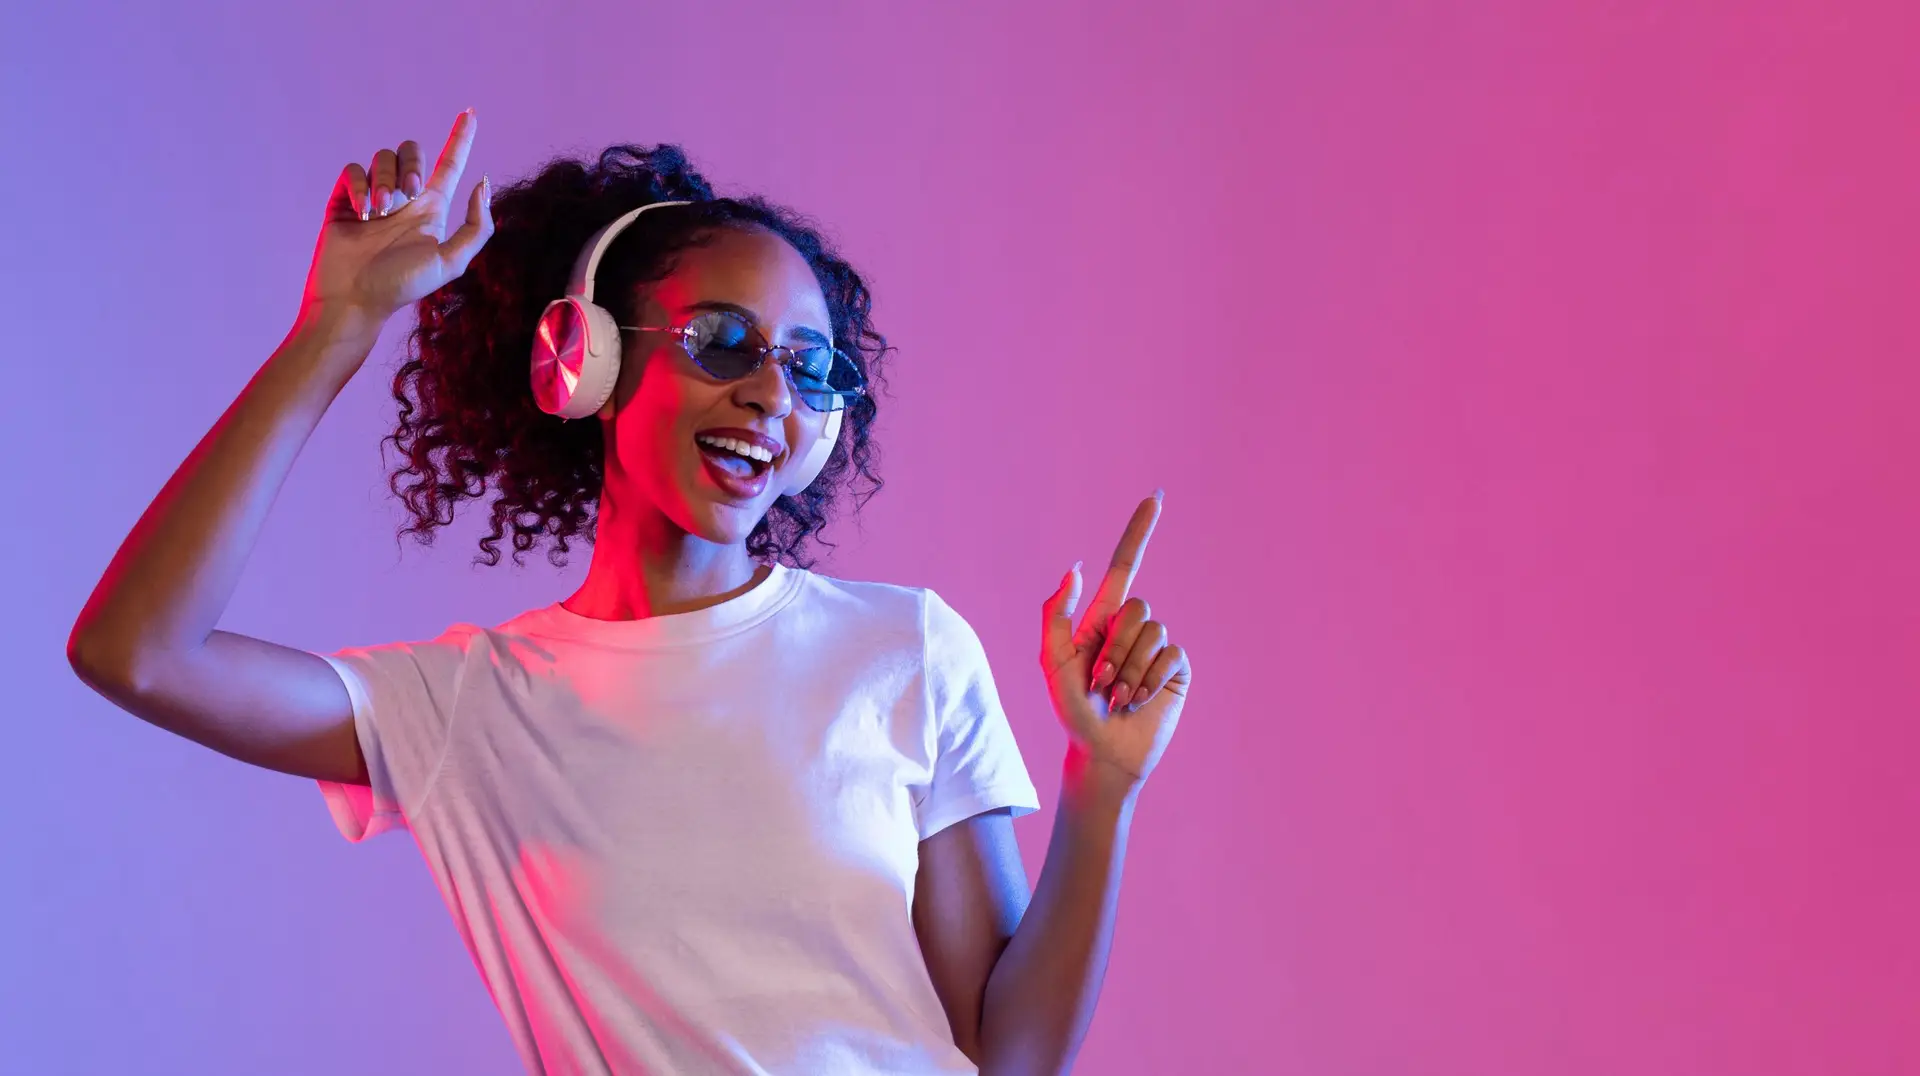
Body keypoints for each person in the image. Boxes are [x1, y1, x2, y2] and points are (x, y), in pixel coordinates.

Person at [67, 109, 1193, 1076]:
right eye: (723, 342)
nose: (769, 392)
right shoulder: (469, 704)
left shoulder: (908, 647)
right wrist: (335, 329)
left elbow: (1010, 1053)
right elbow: (139, 652)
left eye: (808, 367)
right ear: (586, 360)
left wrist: (1101, 784)